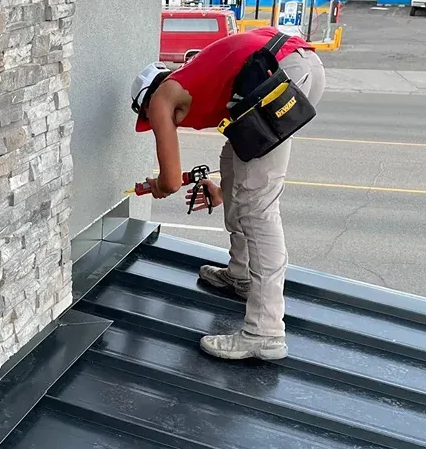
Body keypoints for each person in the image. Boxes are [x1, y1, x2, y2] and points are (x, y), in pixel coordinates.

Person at [132, 27, 326, 361]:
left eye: (149, 118)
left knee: (257, 209)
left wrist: (159, 187)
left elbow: (171, 182)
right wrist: (223, 190)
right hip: (292, 67)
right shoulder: (201, 81)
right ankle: (241, 275)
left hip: (281, 73)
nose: (160, 123)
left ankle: (265, 333)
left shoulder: (163, 96)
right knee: (232, 158)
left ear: (147, 103)